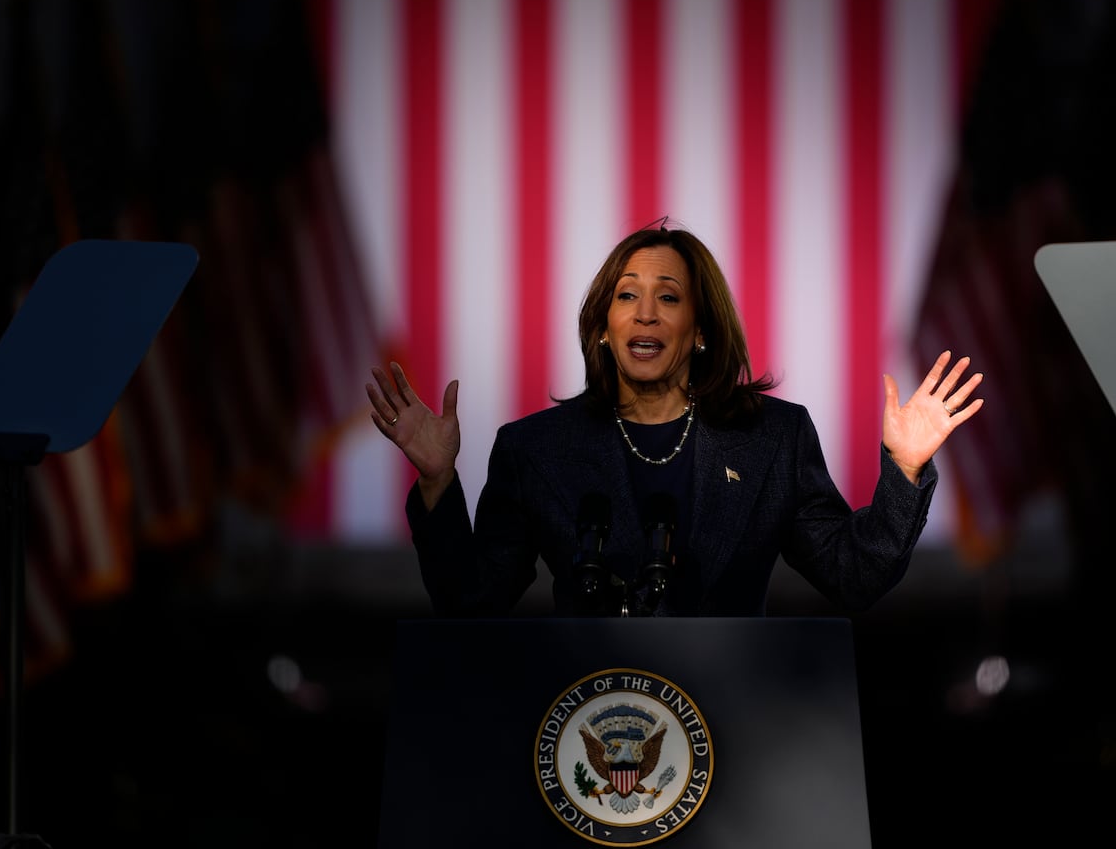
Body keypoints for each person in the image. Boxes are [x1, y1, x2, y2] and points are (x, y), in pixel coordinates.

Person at [365, 222, 983, 617]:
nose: (645, 314)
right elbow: (473, 602)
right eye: (627, 295)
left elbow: (854, 576)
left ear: (703, 331)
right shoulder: (535, 450)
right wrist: (438, 484)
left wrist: (904, 469)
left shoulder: (774, 439)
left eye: (668, 297)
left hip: (733, 740)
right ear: (603, 330)